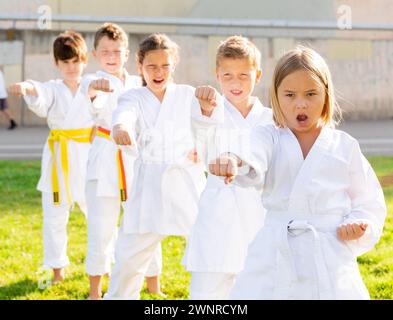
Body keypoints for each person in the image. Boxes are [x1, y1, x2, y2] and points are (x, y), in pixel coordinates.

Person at [209, 46, 386, 299]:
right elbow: (252, 153)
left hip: (328, 250)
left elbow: (368, 199)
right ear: (276, 96)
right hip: (275, 250)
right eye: (290, 94)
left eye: (311, 93)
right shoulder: (268, 136)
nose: (300, 103)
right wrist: (233, 159)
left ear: (326, 94)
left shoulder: (344, 146)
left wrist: (359, 224)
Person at [104, 33, 219, 299]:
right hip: (149, 183)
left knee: (207, 246)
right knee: (129, 255)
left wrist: (202, 139)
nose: (159, 72)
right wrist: (121, 128)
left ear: (174, 65)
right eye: (152, 66)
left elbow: (210, 125)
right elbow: (124, 116)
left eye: (165, 66)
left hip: (186, 181)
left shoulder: (188, 94)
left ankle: (211, 298)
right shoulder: (132, 97)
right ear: (140, 67)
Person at [182, 36, 273, 299]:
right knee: (207, 289)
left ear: (258, 74)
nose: (236, 82)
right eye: (228, 75)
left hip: (259, 211)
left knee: (257, 285)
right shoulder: (209, 110)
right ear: (217, 75)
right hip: (219, 213)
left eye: (244, 75)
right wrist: (205, 110)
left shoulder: (269, 117)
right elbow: (201, 135)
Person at [81, 23, 163, 300]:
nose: (112, 57)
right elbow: (91, 94)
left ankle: (153, 283)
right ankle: (95, 290)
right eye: (105, 52)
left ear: (126, 53)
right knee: (101, 226)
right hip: (104, 157)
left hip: (136, 157)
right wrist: (95, 87)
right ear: (95, 54)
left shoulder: (140, 81)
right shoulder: (91, 80)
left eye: (117, 51)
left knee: (145, 219)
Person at [8, 31, 94, 284]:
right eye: (65, 62)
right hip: (58, 158)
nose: (71, 67)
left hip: (88, 157)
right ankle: (57, 270)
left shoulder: (93, 85)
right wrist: (27, 87)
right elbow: (40, 92)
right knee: (55, 216)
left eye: (75, 61)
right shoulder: (53, 88)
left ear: (85, 60)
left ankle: (101, 264)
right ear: (56, 63)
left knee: (98, 215)